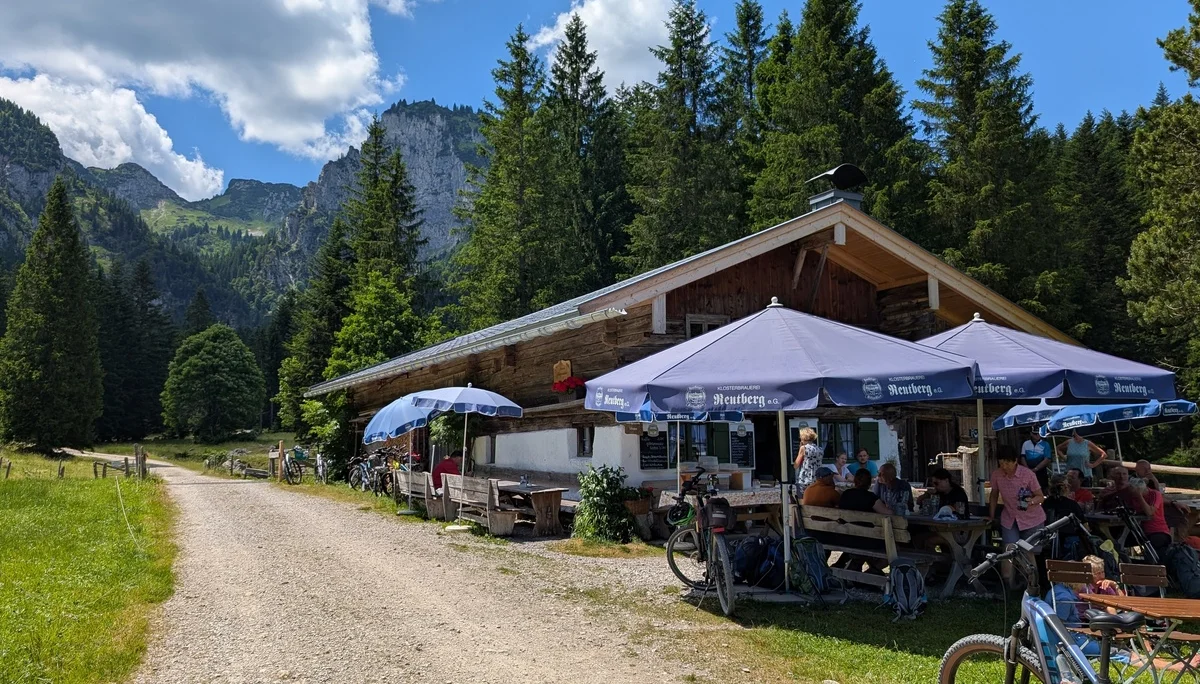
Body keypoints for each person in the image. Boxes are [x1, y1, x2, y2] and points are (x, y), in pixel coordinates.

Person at [988, 448, 1046, 585]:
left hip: (1032, 518)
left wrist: (1030, 501)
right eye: (1001, 463)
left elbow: (1040, 496)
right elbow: (994, 495)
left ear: (1015, 461)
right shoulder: (997, 475)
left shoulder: (1028, 474)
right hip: (1010, 517)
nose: (1004, 467)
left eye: (1007, 463)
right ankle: (1007, 585)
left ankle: (1032, 584)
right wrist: (991, 515)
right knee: (1008, 550)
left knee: (1027, 550)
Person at [1100, 467, 1171, 557]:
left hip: (1157, 531)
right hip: (1139, 530)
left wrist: (1139, 496)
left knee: (1154, 549)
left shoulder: (1154, 494)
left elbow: (1150, 512)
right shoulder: (1131, 496)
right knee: (1115, 541)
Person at [793, 427, 822, 493]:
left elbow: (796, 465)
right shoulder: (820, 449)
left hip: (805, 478)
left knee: (803, 499)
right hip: (817, 478)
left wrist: (800, 449)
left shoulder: (804, 448)